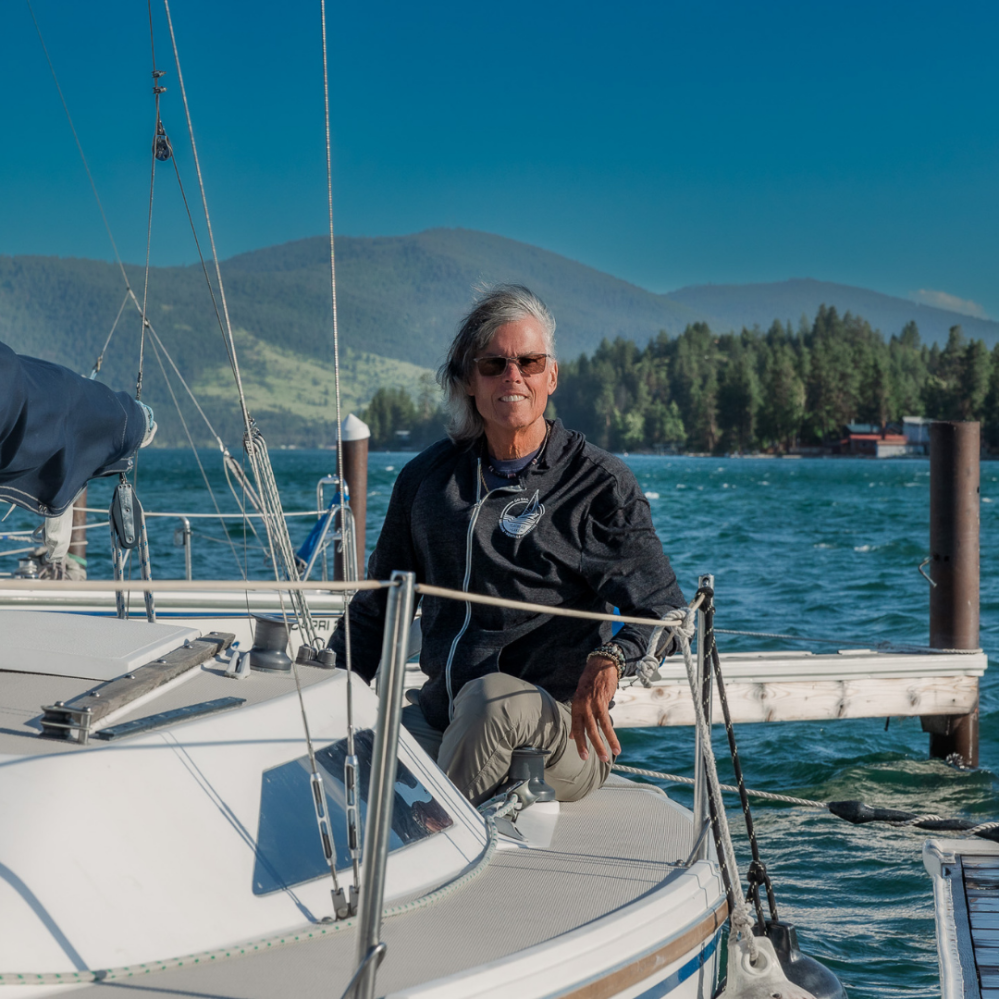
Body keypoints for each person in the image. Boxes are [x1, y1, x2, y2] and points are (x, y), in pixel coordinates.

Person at [327, 286, 684, 805]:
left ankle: (434, 835)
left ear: (551, 377)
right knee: (333, 759)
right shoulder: (427, 480)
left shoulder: (599, 486)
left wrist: (611, 656)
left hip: (558, 738)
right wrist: (320, 691)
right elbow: (377, 609)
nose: (513, 376)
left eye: (530, 362)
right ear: (469, 381)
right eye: (494, 364)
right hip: (442, 719)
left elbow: (665, 611)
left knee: (490, 700)